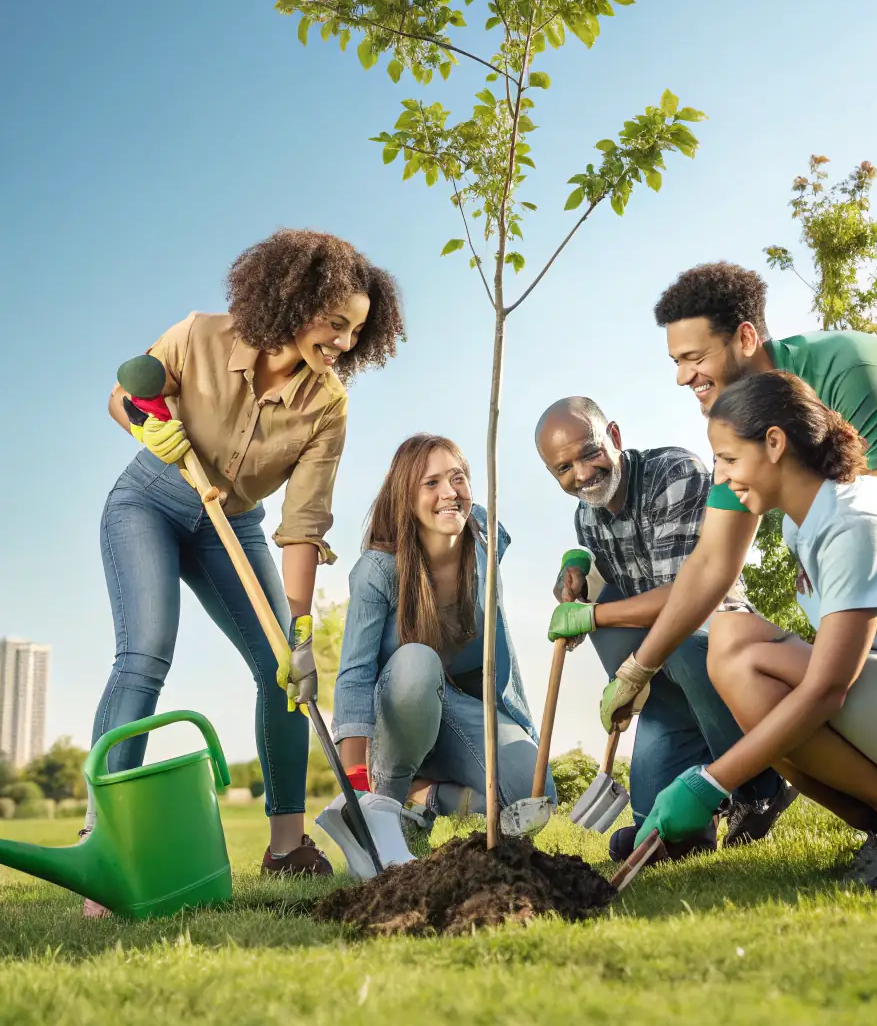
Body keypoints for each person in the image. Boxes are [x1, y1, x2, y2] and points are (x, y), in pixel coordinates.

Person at [91, 229, 403, 907]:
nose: (345, 343)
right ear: (294, 300)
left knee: (281, 672)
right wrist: (146, 427)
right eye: (336, 323)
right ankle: (106, 837)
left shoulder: (328, 403)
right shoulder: (199, 335)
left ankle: (287, 845)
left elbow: (302, 522)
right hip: (150, 501)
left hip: (232, 525)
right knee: (145, 653)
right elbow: (127, 391)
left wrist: (295, 629)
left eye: (356, 331)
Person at [632, 371, 877, 892]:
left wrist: (710, 781)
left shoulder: (858, 518)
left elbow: (827, 688)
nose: (720, 477)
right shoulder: (808, 521)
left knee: (740, 655)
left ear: (774, 443)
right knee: (734, 646)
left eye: (727, 459)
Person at [601, 260, 877, 740]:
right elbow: (712, 563)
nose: (682, 377)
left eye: (694, 357)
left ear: (744, 339)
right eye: (676, 361)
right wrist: (639, 668)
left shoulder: (848, 370)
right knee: (872, 697)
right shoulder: (740, 427)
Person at [536, 396, 796, 864]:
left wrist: (592, 618)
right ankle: (693, 824)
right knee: (651, 818)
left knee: (678, 636)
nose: (580, 474)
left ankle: (760, 788)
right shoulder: (588, 517)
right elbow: (616, 592)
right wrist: (578, 579)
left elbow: (686, 598)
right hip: (661, 672)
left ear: (614, 437)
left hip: (715, 649)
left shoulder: (673, 475)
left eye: (588, 452)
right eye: (563, 469)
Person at [326, 434, 552, 874]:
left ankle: (423, 798)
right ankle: (387, 802)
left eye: (458, 478)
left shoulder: (484, 535)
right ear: (405, 499)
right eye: (431, 483)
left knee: (533, 792)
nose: (450, 492)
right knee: (416, 663)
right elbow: (353, 677)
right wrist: (356, 793)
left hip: (457, 709)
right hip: (398, 715)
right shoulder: (378, 570)